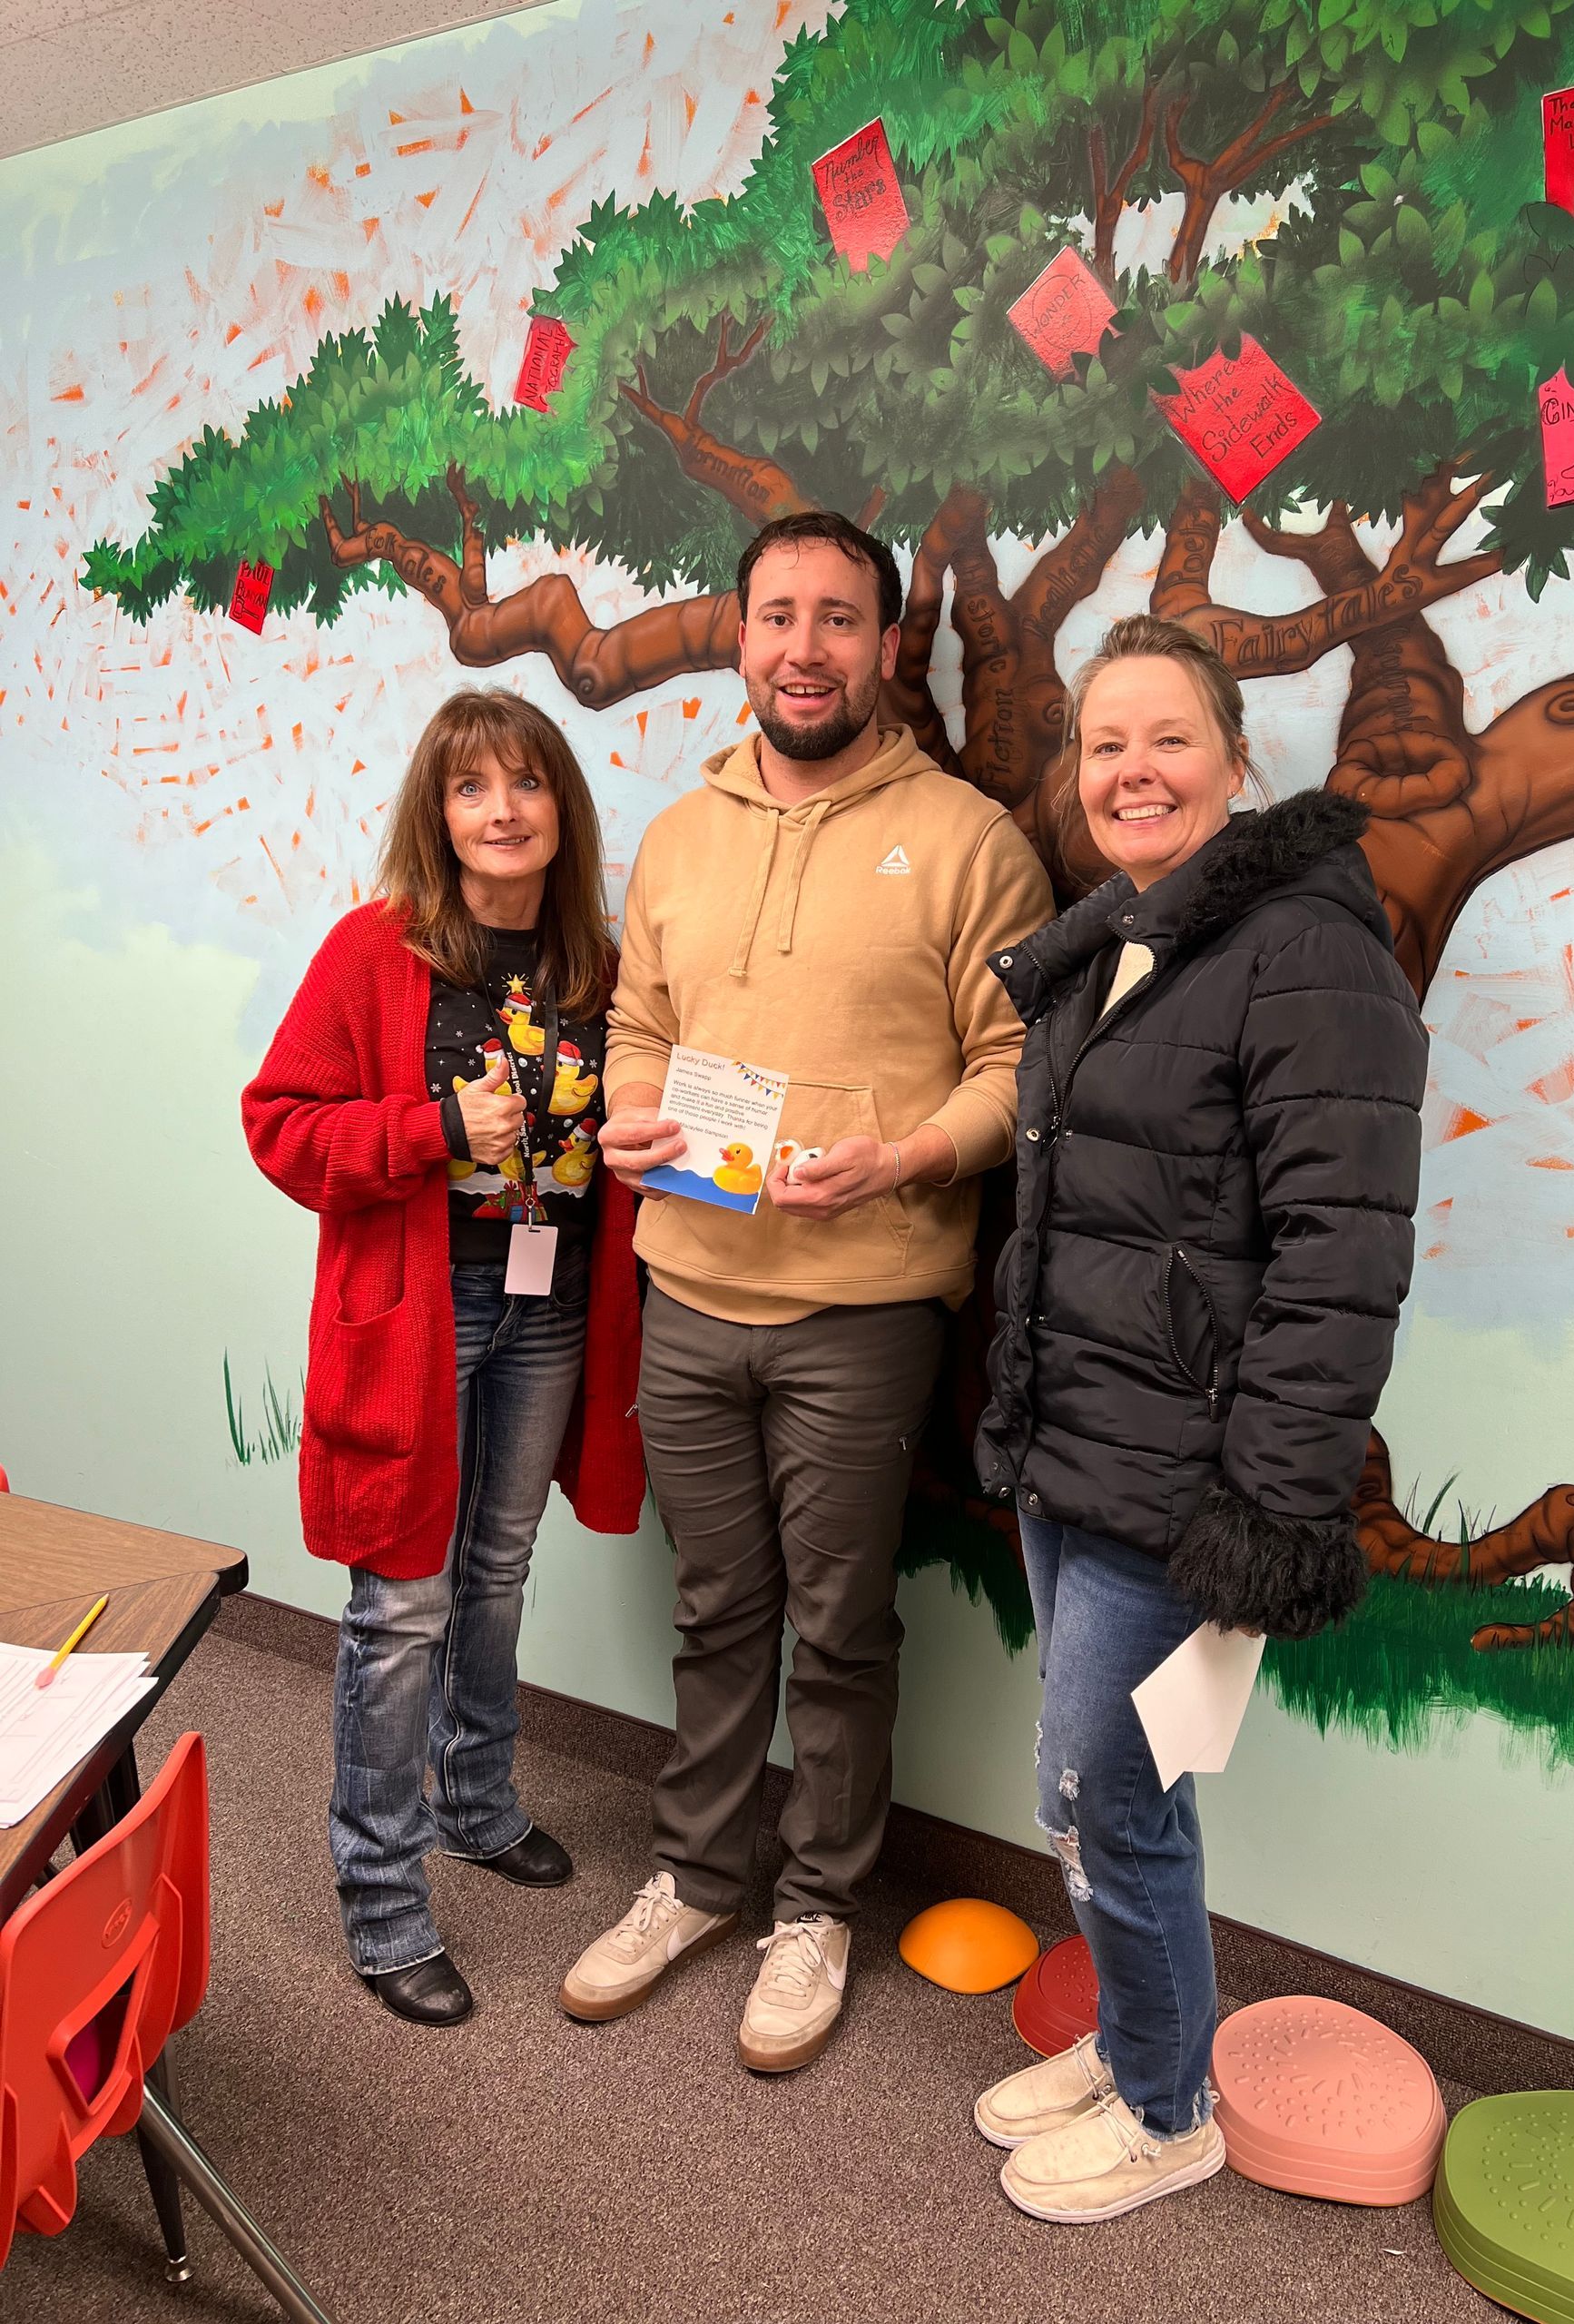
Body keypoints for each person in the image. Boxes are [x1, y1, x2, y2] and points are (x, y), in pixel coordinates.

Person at [561, 509, 1053, 2071]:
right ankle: (700, 1875)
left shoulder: (972, 841)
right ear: (740, 633)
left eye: (839, 619)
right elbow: (640, 1018)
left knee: (838, 1628)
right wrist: (630, 1113)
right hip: (691, 1286)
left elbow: (1021, 1068)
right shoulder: (682, 832)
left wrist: (911, 1154)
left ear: (888, 644)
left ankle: (820, 1904)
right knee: (718, 1611)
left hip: (865, 1309)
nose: (804, 646)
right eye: (778, 615)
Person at [973, 616, 1428, 2221]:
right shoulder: (1119, 941)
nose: (1133, 771)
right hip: (1076, 1449)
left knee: (1116, 1794)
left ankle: (1169, 2111)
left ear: (1238, 761)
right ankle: (1135, 2038)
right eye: (1106, 745)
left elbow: (1344, 1258)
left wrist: (1266, 1507)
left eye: (1169, 739)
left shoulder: (1308, 950)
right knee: (1083, 1790)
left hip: (1189, 1486)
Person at [242, 689, 644, 2027]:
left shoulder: (596, 956)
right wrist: (426, 1130)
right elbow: (281, 1125)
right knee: (402, 1607)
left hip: (551, 1304)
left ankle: (475, 1805)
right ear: (440, 811)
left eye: (527, 785)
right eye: (474, 789)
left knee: (499, 1570)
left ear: (559, 811)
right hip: (423, 1310)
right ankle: (383, 1899)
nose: (502, 811)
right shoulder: (377, 949)